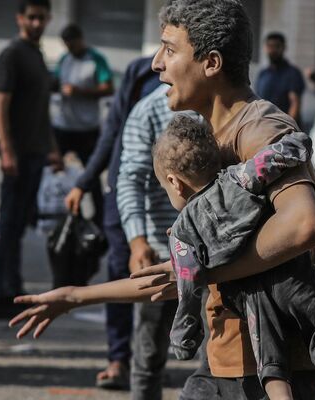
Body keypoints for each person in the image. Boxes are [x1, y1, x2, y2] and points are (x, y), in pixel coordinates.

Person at [11, 1, 315, 398]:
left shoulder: (259, 128)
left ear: (211, 63)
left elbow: (306, 224)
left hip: (273, 374)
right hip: (226, 366)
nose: (155, 65)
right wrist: (74, 296)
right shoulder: (210, 134)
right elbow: (177, 275)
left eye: (170, 49)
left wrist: (201, 273)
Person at [153, 115, 315, 399]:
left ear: (174, 183)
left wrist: (183, 336)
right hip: (292, 274)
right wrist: (297, 143)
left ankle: (281, 397)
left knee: (269, 360)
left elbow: (188, 287)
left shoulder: (181, 234)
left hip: (251, 299)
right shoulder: (237, 179)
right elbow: (273, 160)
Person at [63, 55, 161, 390]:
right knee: (121, 273)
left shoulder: (201, 71)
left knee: (173, 286)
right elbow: (112, 131)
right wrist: (84, 181)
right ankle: (118, 359)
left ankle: (160, 364)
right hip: (124, 192)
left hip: (173, 204)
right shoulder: (139, 70)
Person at [0, 0, 62, 319]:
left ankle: (12, 291)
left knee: (18, 227)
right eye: (31, 17)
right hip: (17, 155)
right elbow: (0, 105)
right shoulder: (12, 54)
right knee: (7, 225)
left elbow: (41, 111)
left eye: (41, 18)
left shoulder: (37, 55)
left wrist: (52, 148)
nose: (36, 22)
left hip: (35, 154)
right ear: (20, 19)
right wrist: (6, 149)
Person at [116, 84, 182, 400]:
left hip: (219, 257)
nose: (159, 63)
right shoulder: (149, 110)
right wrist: (137, 241)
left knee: (221, 357)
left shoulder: (232, 107)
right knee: (150, 351)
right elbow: (130, 177)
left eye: (170, 51)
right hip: (160, 249)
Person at [52, 23, 113, 226]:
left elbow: (108, 88)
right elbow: (54, 81)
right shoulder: (64, 59)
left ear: (80, 40)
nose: (70, 49)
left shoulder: (96, 59)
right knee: (53, 169)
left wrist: (79, 92)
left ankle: (98, 218)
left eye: (72, 44)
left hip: (87, 129)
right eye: (66, 45)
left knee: (92, 176)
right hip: (63, 126)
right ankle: (54, 210)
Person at [254, 32, 305, 125]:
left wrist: (287, 128)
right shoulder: (263, 74)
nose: (273, 50)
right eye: (270, 46)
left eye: (276, 46)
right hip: (265, 127)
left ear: (284, 48)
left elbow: (295, 103)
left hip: (285, 129)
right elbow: (257, 102)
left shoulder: (292, 73)